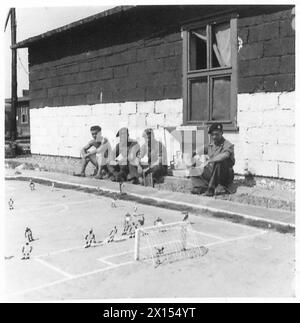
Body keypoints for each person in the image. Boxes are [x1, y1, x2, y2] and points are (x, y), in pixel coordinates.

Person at [189, 123, 235, 197]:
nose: (214, 137)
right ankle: (201, 187)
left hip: (225, 175)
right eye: (212, 134)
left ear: (222, 133)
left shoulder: (228, 145)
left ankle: (211, 190)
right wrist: (193, 154)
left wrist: (210, 160)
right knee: (194, 166)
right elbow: (200, 150)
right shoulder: (211, 144)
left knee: (218, 162)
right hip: (213, 172)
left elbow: (224, 156)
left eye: (217, 134)